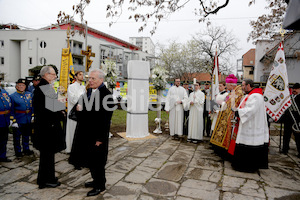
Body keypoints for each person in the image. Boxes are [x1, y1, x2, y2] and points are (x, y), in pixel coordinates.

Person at [69, 69, 114, 197]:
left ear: (101, 80)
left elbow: (105, 120)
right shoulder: (89, 91)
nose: (90, 80)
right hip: (87, 133)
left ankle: (100, 186)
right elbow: (82, 110)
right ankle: (95, 180)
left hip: (97, 135)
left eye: (93, 78)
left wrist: (100, 138)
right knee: (91, 160)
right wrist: (79, 109)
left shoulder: (107, 95)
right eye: (89, 78)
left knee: (98, 161)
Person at [33, 66, 66, 189]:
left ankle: (48, 177)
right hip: (47, 128)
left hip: (45, 127)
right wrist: (61, 112)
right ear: (46, 74)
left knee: (48, 155)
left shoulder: (44, 86)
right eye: (53, 74)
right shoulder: (45, 87)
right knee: (47, 156)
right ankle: (45, 180)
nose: (55, 76)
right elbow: (52, 108)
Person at [232, 79, 269, 172]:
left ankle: (248, 167)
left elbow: (250, 110)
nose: (242, 87)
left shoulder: (256, 96)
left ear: (249, 85)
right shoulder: (250, 95)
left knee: (250, 145)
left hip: (253, 126)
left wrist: (237, 112)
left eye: (243, 85)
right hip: (247, 124)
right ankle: (241, 165)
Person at [210, 74, 243, 157]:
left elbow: (231, 106)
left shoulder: (238, 92)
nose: (226, 87)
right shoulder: (232, 92)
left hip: (231, 118)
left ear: (231, 85)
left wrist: (222, 103)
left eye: (227, 85)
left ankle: (225, 151)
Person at [10, 78, 34, 157]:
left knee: (26, 135)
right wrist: (13, 120)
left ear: (25, 86)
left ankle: (26, 149)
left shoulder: (29, 94)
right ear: (16, 86)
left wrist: (33, 116)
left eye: (23, 85)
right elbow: (11, 109)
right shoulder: (12, 96)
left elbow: (32, 106)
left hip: (27, 118)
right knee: (17, 137)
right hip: (18, 119)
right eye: (19, 85)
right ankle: (18, 151)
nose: (21, 87)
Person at [65, 71, 86, 153]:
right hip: (73, 112)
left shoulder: (83, 87)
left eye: (82, 74)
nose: (82, 76)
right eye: (80, 75)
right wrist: (82, 99)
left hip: (81, 111)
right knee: (72, 130)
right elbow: (73, 99)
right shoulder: (71, 87)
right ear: (76, 77)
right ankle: (70, 148)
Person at [281, 83, 300, 158]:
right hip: (288, 119)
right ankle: (285, 149)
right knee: (286, 135)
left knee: (298, 137)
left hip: (297, 120)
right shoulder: (290, 97)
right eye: (293, 88)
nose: (294, 90)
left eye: (296, 89)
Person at [0, 81, 12, 162]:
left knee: (4, 139)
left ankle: (2, 156)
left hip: (5, 119)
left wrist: (10, 118)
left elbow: (9, 103)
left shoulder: (4, 92)